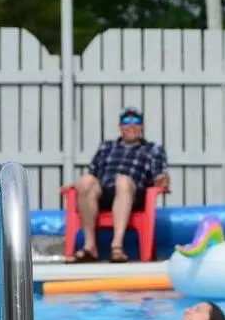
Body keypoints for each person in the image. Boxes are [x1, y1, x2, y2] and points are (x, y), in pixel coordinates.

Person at [67, 106, 170, 264]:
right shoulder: (106, 147)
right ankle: (90, 247)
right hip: (104, 192)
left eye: (136, 121)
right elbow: (93, 172)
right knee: (86, 180)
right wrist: (77, 185)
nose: (131, 126)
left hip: (133, 194)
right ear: (120, 126)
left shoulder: (152, 149)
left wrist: (163, 179)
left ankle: (117, 246)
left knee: (122, 180)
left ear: (142, 126)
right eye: (126, 122)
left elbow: (159, 175)